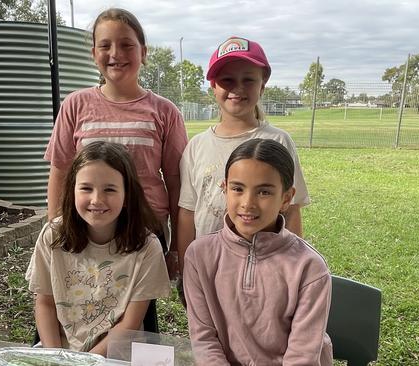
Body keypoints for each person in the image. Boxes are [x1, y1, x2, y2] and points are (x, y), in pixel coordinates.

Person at [43, 8, 188, 331]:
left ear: (143, 52)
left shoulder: (164, 112)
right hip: (86, 230)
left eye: (126, 45)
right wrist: (56, 231)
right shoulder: (75, 105)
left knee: (135, 323)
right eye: (105, 45)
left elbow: (177, 183)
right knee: (79, 309)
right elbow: (60, 171)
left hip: (142, 236)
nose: (115, 54)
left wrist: (176, 246)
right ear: (93, 52)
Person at [183, 138, 332, 365]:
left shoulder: (310, 267)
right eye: (237, 189)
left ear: (286, 198)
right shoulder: (198, 256)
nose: (247, 203)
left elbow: (302, 356)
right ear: (225, 189)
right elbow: (204, 339)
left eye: (263, 192)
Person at [177, 36, 309, 277]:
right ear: (213, 87)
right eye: (227, 80)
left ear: (263, 84)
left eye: (248, 79)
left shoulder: (278, 141)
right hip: (210, 269)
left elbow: (291, 210)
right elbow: (187, 213)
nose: (237, 88)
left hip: (266, 269)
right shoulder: (197, 146)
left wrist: (292, 267)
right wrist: (187, 270)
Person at [26, 141, 170, 356]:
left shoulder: (147, 247)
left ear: (127, 195)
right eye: (86, 188)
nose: (97, 200)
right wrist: (58, 359)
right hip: (58, 354)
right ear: (72, 190)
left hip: (119, 354)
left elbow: (130, 323)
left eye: (110, 189)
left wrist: (86, 362)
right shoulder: (53, 235)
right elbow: (45, 303)